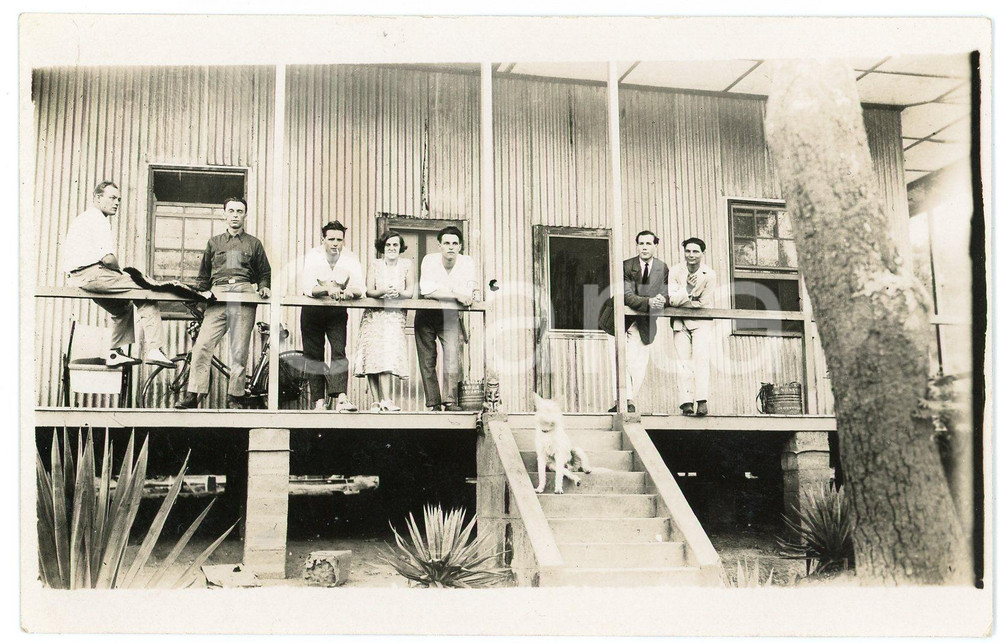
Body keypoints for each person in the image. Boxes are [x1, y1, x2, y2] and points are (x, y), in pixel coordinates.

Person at [63, 181, 175, 369]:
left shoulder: (84, 218)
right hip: (94, 274)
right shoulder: (98, 219)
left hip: (80, 278)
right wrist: (121, 273)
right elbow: (108, 259)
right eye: (112, 198)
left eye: (119, 199)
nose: (117, 203)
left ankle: (114, 353)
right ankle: (155, 349)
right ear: (98, 198)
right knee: (145, 291)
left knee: (123, 307)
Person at [175, 196, 271, 409]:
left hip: (244, 293)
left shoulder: (253, 243)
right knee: (202, 346)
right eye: (231, 211)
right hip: (218, 294)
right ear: (224, 214)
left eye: (239, 211)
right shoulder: (214, 242)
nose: (235, 215)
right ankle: (194, 394)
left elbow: (264, 271)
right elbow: (203, 276)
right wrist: (201, 298)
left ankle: (235, 396)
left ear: (245, 215)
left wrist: (264, 286)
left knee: (239, 350)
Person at [298, 221, 365, 412]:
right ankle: (319, 401)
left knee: (338, 350)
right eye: (331, 239)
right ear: (323, 239)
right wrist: (328, 288)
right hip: (312, 310)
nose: (335, 243)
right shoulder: (313, 255)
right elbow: (308, 287)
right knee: (313, 356)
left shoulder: (350, 258)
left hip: (336, 311)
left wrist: (350, 292)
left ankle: (341, 398)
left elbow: (360, 287)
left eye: (339, 240)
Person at [605, 230, 669, 414]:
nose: (644, 247)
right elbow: (626, 295)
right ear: (637, 246)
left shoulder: (662, 268)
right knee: (618, 361)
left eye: (649, 244)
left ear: (655, 246)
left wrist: (661, 300)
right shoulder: (626, 266)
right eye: (641, 243)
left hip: (644, 321)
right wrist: (649, 302)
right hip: (617, 321)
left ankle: (628, 399)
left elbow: (665, 292)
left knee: (638, 365)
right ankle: (625, 401)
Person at [415, 226, 478, 411]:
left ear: (460, 246)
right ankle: (433, 403)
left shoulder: (467, 262)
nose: (451, 247)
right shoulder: (429, 260)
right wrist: (456, 294)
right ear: (440, 245)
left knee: (452, 357)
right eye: (447, 243)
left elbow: (468, 293)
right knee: (427, 360)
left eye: (455, 243)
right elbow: (427, 291)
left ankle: (450, 401)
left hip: (450, 315)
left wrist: (452, 294)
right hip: (426, 314)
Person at [354, 229, 414, 412]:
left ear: (400, 247)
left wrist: (398, 293)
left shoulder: (406, 265)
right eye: (388, 244)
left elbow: (410, 291)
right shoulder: (375, 264)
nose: (391, 248)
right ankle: (377, 401)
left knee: (387, 356)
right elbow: (369, 291)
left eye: (395, 244)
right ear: (382, 247)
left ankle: (386, 400)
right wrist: (381, 291)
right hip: (374, 315)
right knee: (372, 356)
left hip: (394, 316)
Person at [669, 236, 717, 417]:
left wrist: (683, 301)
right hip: (680, 322)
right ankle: (686, 402)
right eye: (688, 251)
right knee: (683, 363)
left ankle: (702, 400)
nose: (691, 255)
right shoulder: (675, 271)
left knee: (701, 360)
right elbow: (672, 300)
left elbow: (704, 302)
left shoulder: (709, 274)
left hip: (701, 322)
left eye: (696, 251)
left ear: (703, 253)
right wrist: (688, 291)